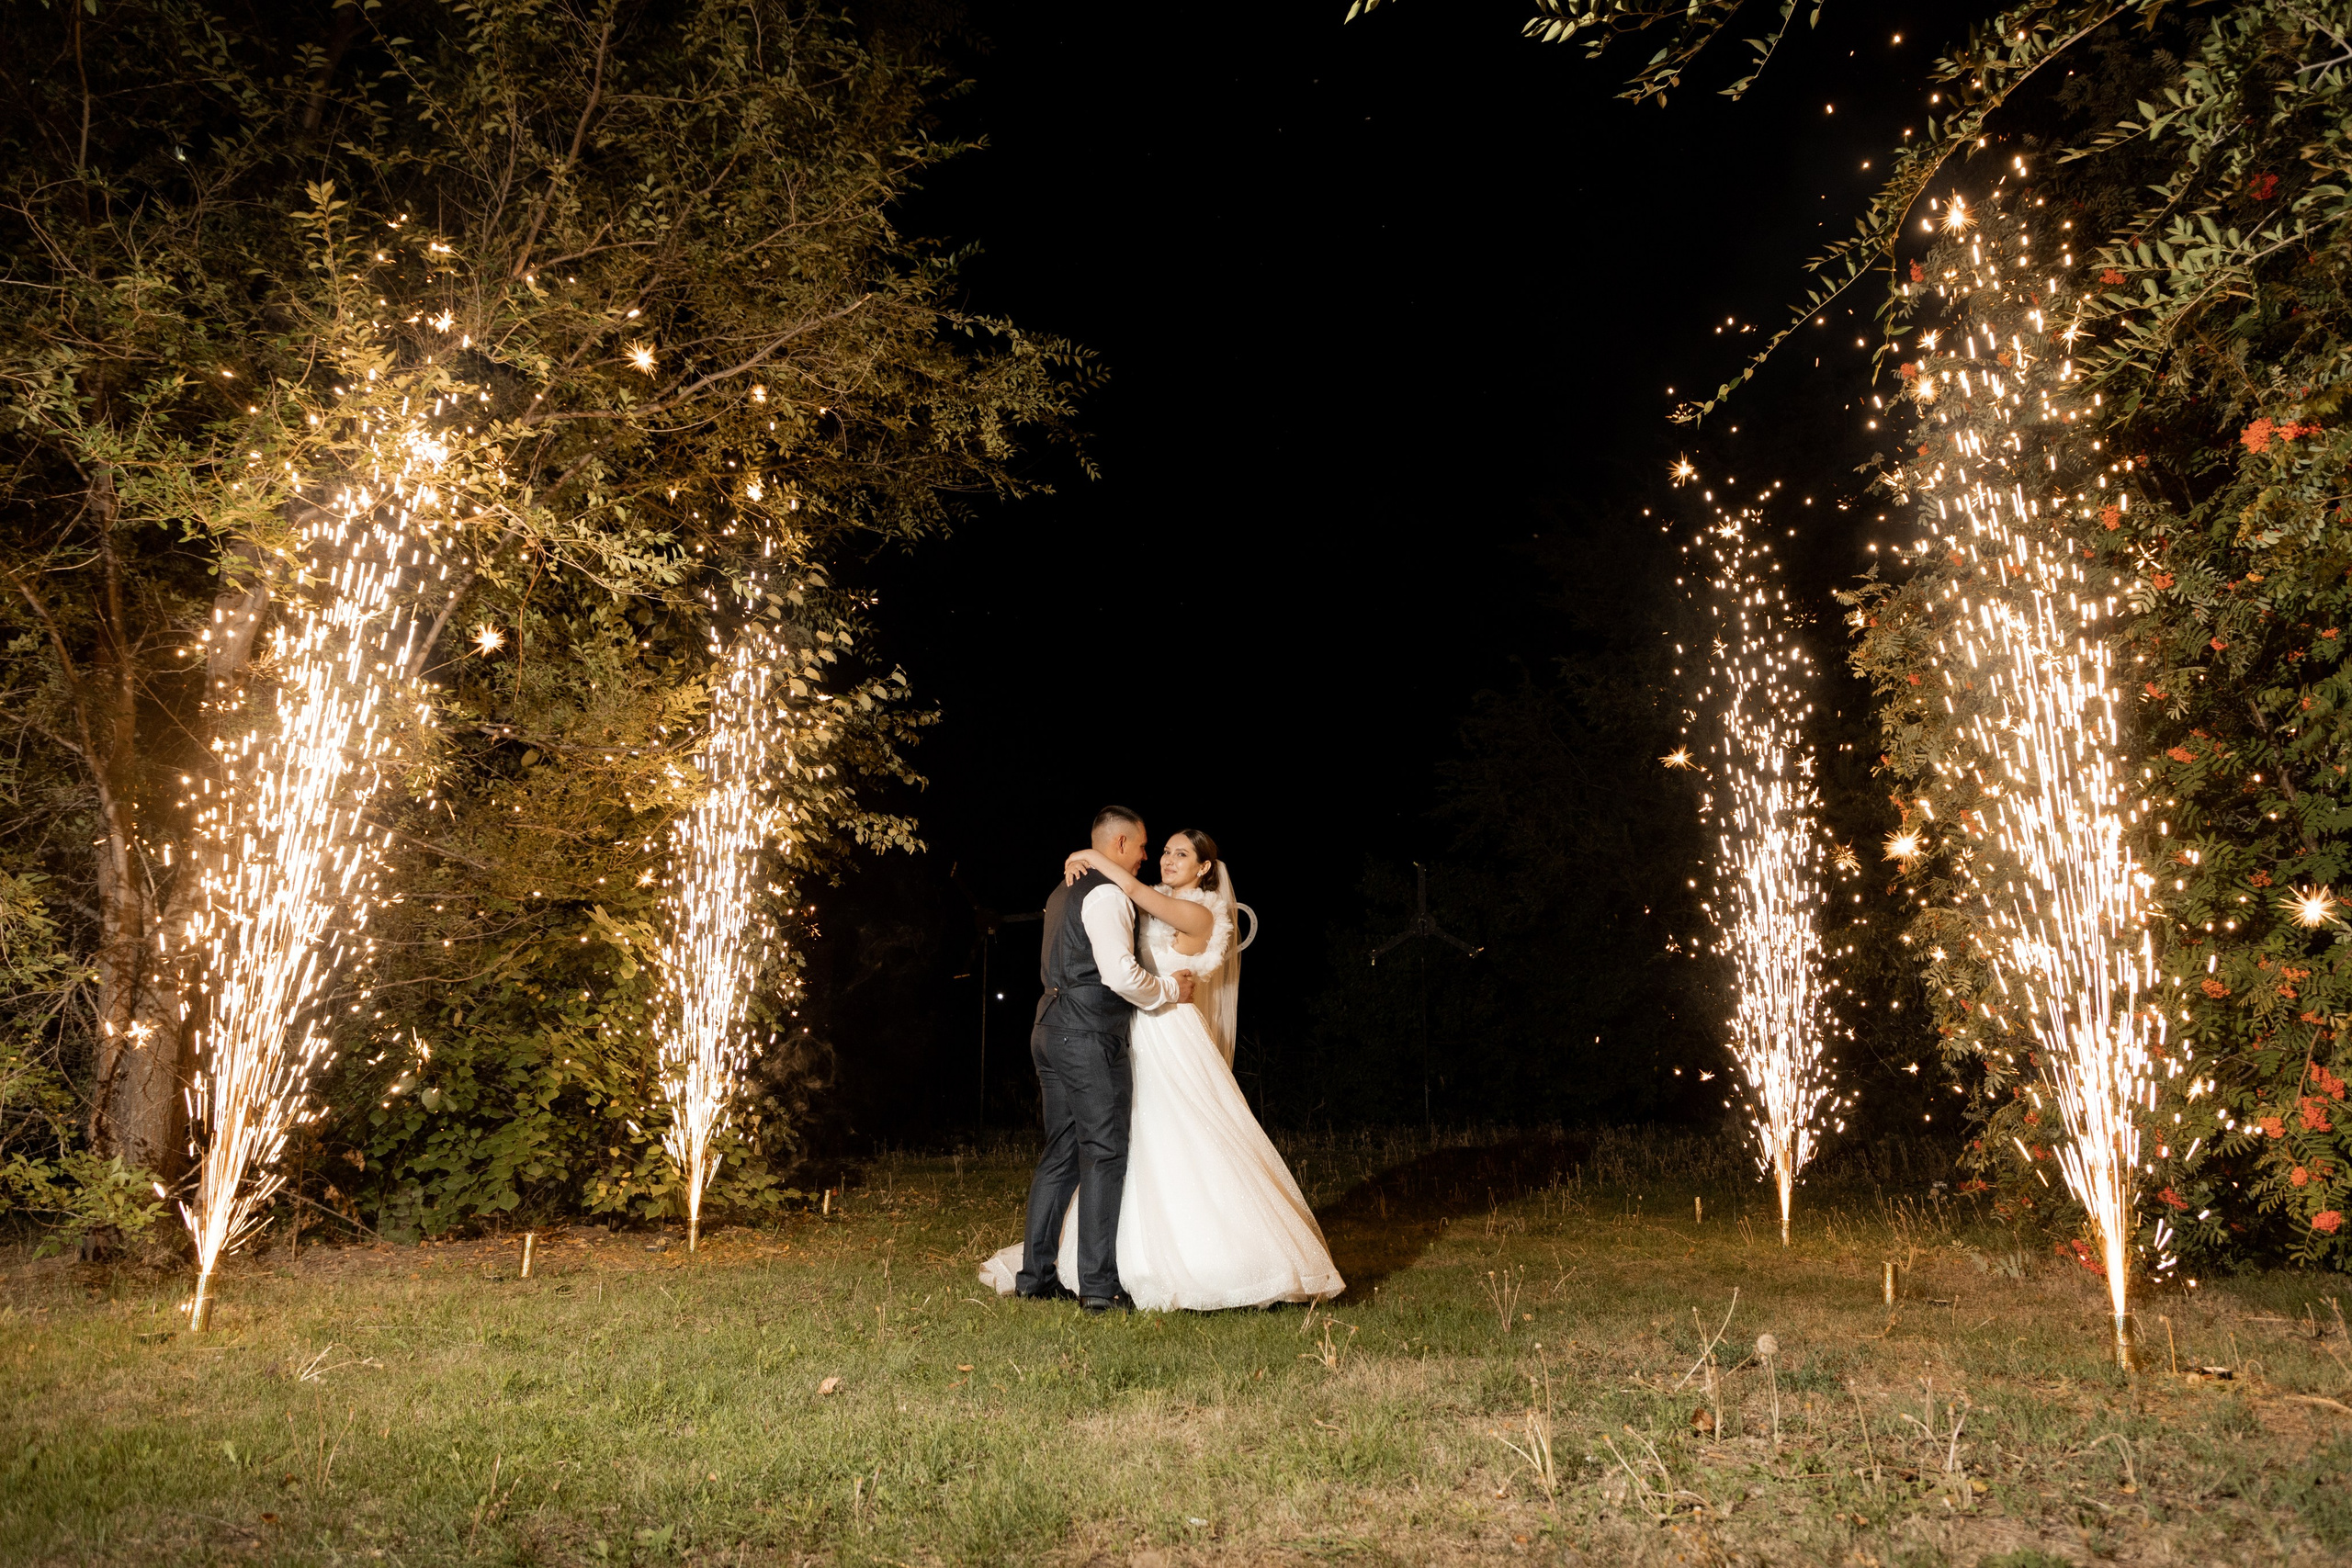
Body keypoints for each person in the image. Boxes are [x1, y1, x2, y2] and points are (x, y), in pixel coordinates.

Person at [981, 823, 1343, 1312]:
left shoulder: (1195, 911)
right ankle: (1100, 1269)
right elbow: (1124, 900)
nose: (1165, 860)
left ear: (1204, 868)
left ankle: (1189, 1259)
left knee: (1166, 1138)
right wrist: (1089, 859)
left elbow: (1126, 889)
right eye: (1163, 851)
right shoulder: (1136, 894)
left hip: (1166, 1029)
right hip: (1125, 1027)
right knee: (1108, 1146)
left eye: (1179, 854)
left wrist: (1086, 853)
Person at [1001, 806, 1193, 1315]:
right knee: (1103, 1153)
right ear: (1122, 845)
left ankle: (1034, 1278)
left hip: (1048, 1028)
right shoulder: (1107, 894)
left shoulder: (1061, 891)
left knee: (1062, 1153)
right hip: (1086, 1035)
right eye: (1144, 846)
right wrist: (1172, 989)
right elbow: (1121, 976)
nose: (1147, 856)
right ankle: (1098, 1289)